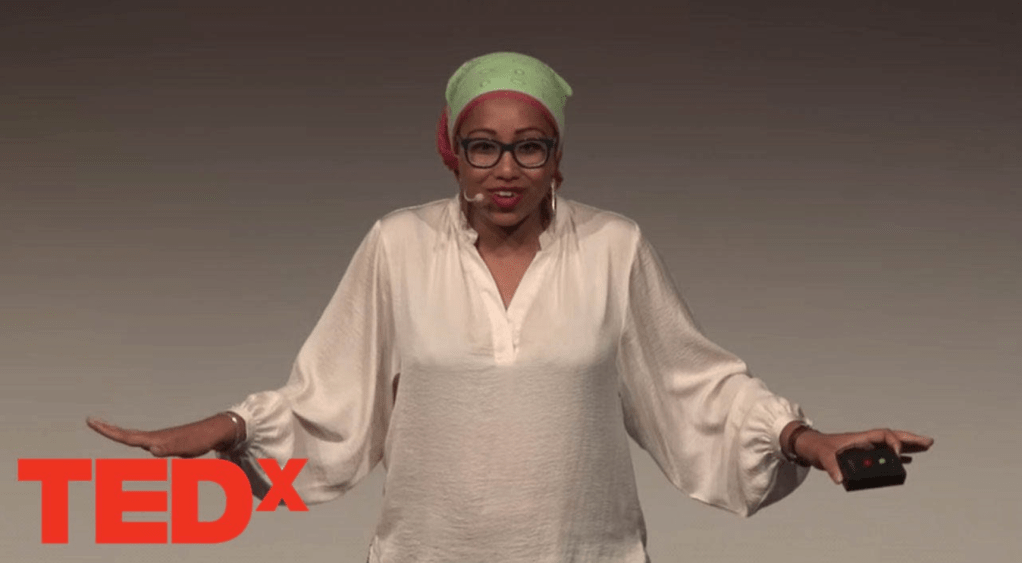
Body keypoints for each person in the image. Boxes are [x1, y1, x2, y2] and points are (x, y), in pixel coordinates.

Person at [88, 51, 934, 563]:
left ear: (557, 158)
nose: (505, 169)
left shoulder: (613, 246)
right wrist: (229, 427)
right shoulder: (397, 245)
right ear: (451, 153)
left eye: (530, 147)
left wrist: (811, 439)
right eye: (483, 146)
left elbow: (697, 388)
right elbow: (330, 397)